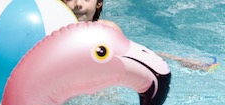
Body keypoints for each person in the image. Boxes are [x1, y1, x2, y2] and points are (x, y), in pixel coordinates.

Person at [61, 0, 217, 71]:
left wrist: (180, 60)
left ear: (98, 3)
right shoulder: (53, 29)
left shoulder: (106, 30)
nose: (78, 4)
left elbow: (134, 54)